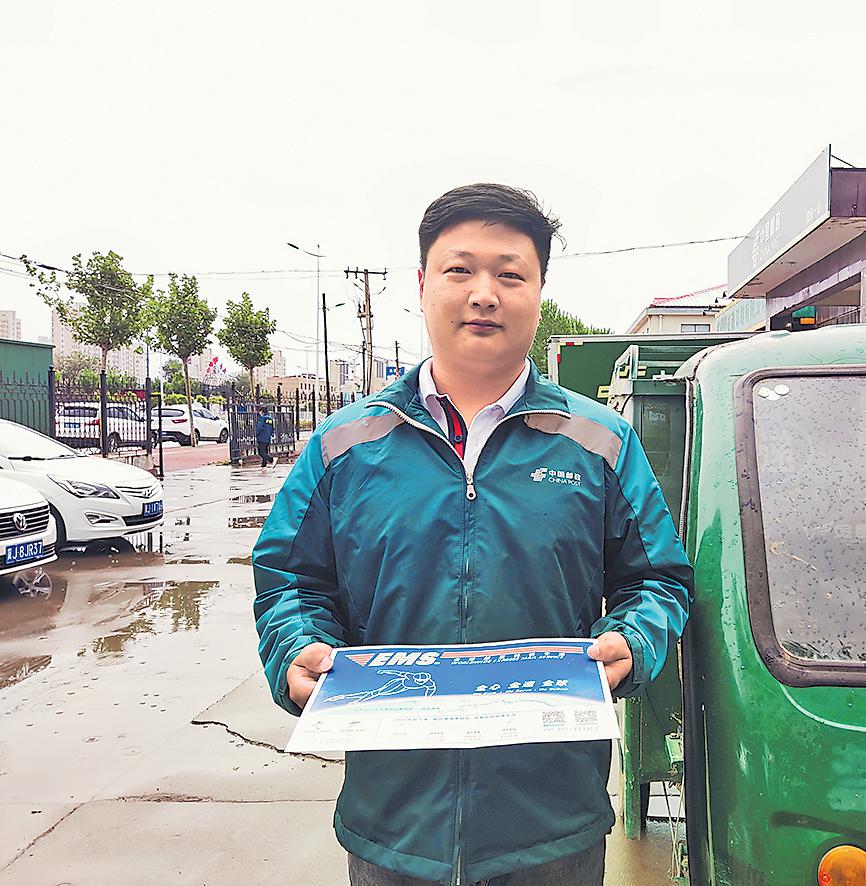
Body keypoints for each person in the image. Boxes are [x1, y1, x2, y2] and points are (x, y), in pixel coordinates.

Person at [253, 183, 692, 886]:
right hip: (394, 827)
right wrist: (295, 647)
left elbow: (657, 579)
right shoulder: (345, 445)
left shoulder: (599, 443)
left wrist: (634, 641)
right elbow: (291, 580)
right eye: (459, 270)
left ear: (538, 291)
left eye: (509, 274)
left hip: (550, 828)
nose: (483, 294)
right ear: (423, 284)